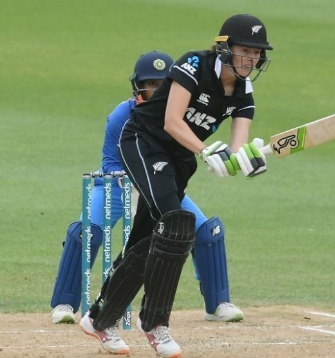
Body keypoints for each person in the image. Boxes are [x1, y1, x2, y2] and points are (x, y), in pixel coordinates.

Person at [79, 14, 273, 358]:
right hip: (144, 141)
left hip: (179, 160)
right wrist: (206, 148)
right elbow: (171, 121)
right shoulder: (194, 63)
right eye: (245, 50)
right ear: (225, 47)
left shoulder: (244, 92)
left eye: (257, 53)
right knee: (177, 222)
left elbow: (236, 148)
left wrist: (249, 159)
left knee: (147, 237)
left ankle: (99, 317)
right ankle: (154, 323)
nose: (251, 60)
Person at [51, 51, 244, 327]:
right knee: (86, 231)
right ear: (137, 85)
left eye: (161, 83)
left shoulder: (181, 114)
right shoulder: (122, 114)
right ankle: (64, 304)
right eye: (150, 84)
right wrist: (124, 178)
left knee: (205, 230)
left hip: (158, 184)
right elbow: (109, 157)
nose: (155, 90)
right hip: (116, 188)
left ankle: (217, 304)